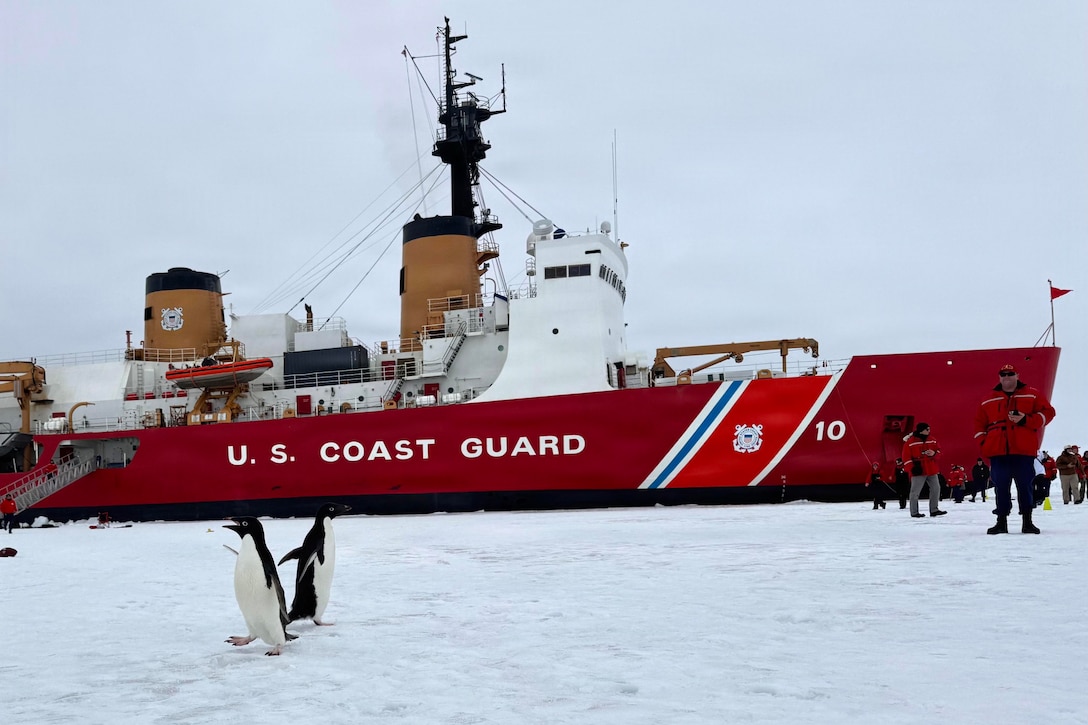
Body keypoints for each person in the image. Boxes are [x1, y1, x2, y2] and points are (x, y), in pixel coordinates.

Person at [974, 363, 1056, 534]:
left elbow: (1048, 412)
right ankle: (1001, 522)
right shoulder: (988, 398)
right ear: (999, 377)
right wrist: (984, 443)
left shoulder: (1032, 394)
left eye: (1010, 374)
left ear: (1017, 375)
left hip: (1023, 450)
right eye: (1003, 374)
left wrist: (1026, 420)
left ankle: (1027, 521)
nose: (1006, 377)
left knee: (1025, 486)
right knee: (1000, 486)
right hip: (998, 451)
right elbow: (979, 423)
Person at [902, 422, 946, 519]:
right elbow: (906, 456)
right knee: (915, 492)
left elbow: (939, 451)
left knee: (936, 488)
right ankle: (914, 512)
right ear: (921, 430)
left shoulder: (932, 440)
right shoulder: (910, 442)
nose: (929, 431)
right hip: (918, 469)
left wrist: (933, 453)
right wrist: (912, 468)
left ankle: (934, 509)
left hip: (931, 468)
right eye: (927, 429)